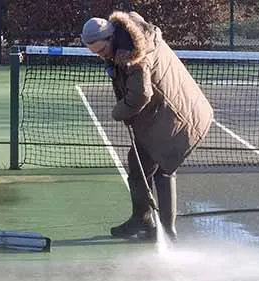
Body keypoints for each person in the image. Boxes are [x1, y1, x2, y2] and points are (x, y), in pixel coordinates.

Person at [81, 11, 213, 242]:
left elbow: (141, 94)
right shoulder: (123, 42)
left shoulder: (136, 56)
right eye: (96, 53)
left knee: (164, 169)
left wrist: (118, 111)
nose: (101, 56)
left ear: (112, 38)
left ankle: (166, 231)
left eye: (102, 51)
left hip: (178, 117)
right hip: (156, 116)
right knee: (138, 165)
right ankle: (141, 220)